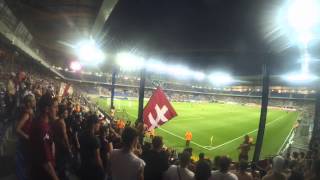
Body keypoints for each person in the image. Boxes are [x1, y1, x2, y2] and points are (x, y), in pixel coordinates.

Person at [29, 93, 59, 180]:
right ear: (47, 109)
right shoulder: (43, 129)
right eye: (55, 107)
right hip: (42, 174)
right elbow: (46, 163)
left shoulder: (39, 121)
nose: (57, 110)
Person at [79, 114, 105, 180]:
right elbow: (97, 158)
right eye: (98, 123)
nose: (99, 125)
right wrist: (102, 171)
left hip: (83, 166)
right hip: (92, 170)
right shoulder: (95, 139)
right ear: (94, 124)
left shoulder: (82, 133)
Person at [16, 94, 36, 180]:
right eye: (33, 101)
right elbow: (17, 129)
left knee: (24, 162)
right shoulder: (27, 114)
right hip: (23, 142)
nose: (35, 102)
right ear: (28, 103)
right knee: (22, 162)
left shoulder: (31, 111)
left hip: (26, 142)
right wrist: (27, 137)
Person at [52, 105, 72, 180]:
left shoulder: (56, 120)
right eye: (66, 113)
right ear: (62, 114)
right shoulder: (62, 122)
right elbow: (65, 136)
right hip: (62, 145)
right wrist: (68, 147)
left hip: (57, 144)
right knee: (63, 162)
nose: (67, 114)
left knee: (59, 161)